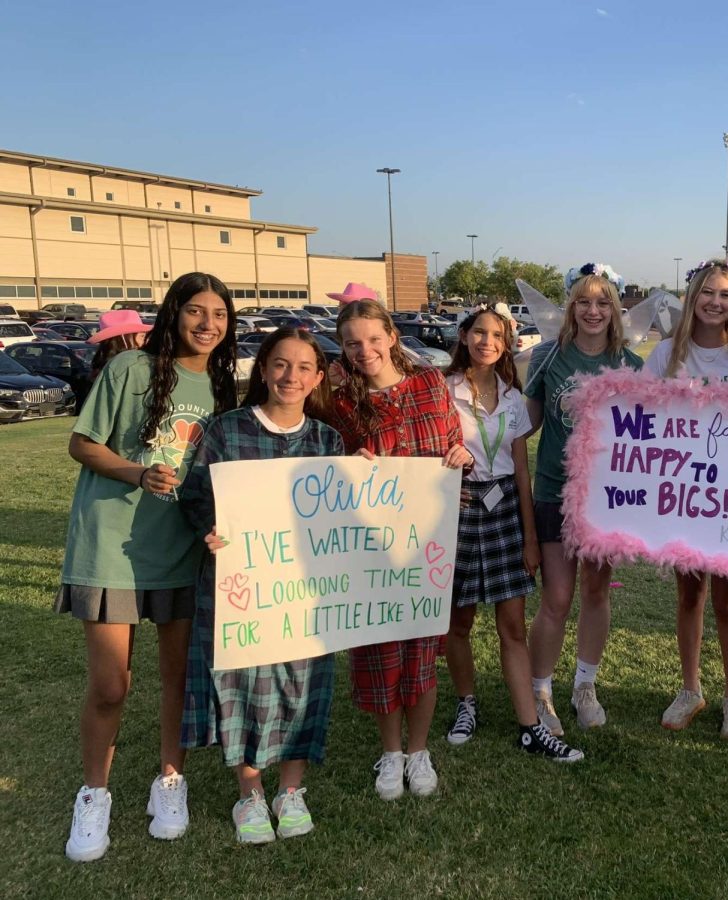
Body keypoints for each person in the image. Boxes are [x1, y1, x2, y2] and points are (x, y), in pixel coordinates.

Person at [57, 272, 236, 862]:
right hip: (111, 546)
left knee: (177, 681)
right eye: (196, 312)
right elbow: (83, 444)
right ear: (173, 313)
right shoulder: (130, 369)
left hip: (182, 553)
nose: (207, 325)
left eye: (219, 315)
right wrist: (137, 472)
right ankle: (95, 795)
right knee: (111, 685)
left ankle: (170, 784)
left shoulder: (221, 386)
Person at [180, 329, 342, 843]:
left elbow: (345, 512)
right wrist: (211, 528)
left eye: (302, 367)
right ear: (263, 369)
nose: (290, 376)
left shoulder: (327, 441)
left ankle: (290, 791)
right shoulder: (226, 431)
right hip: (240, 587)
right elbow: (195, 495)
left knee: (304, 682)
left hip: (303, 592)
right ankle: (249, 794)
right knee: (241, 685)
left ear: (318, 377)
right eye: (279, 364)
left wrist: (365, 477)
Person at [330, 300, 472, 799]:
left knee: (424, 649)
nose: (364, 350)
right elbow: (333, 467)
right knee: (380, 652)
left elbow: (453, 444)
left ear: (392, 336)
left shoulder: (430, 384)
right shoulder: (344, 401)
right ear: (343, 348)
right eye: (352, 342)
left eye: (373, 338)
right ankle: (390, 753)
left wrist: (462, 455)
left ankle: (418, 750)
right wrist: (351, 463)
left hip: (429, 542)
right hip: (374, 548)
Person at [442, 303, 583, 762]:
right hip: (457, 507)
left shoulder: (513, 399)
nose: (487, 342)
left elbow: (522, 473)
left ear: (507, 345)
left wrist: (529, 539)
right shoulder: (442, 392)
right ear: (464, 337)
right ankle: (467, 703)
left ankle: (529, 726)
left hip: (503, 508)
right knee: (457, 622)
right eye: (479, 332)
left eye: (497, 336)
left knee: (512, 626)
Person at [524, 262, 643, 733]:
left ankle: (585, 685)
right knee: (556, 597)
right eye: (583, 301)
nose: (593, 311)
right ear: (570, 308)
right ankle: (540, 690)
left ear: (615, 311)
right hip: (555, 491)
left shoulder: (631, 367)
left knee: (596, 592)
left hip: (608, 499)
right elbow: (526, 424)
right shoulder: (548, 358)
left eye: (603, 302)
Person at [645, 259, 728, 739]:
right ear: (693, 297)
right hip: (683, 495)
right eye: (708, 293)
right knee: (689, 594)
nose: (716, 302)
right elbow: (640, 418)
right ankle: (690, 687)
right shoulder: (667, 353)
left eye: (726, 295)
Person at [87, 309, 153, 380]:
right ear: (123, 339)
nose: (146, 341)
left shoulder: (102, 370)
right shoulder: (130, 368)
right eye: (142, 336)